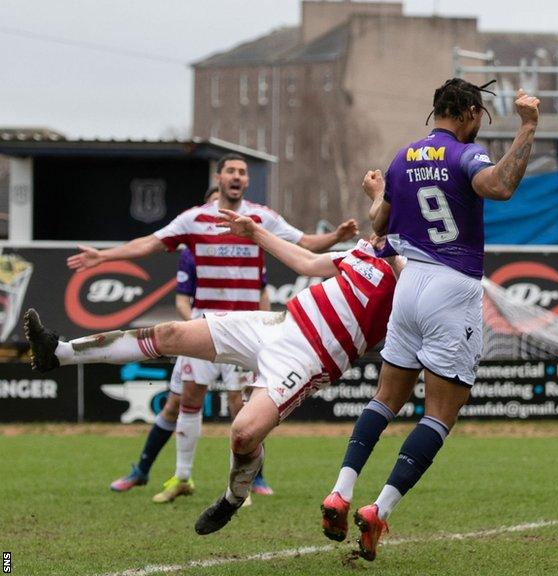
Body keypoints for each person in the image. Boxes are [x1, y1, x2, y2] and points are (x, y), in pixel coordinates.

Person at [24, 224, 399, 536]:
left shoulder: (409, 273)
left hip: (308, 359)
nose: (379, 227)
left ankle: (233, 498)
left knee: (243, 433)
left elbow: (392, 235)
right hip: (278, 325)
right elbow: (306, 260)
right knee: (170, 333)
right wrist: (254, 232)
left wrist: (389, 217)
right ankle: (59, 353)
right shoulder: (360, 252)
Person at [319, 78, 539, 561]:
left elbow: (379, 225)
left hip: (410, 283)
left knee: (385, 399)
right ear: (468, 113)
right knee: (439, 413)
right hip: (452, 287)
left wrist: (376, 191)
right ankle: (378, 510)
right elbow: (499, 186)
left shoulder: (402, 158)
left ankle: (340, 490)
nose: (481, 124)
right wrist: (528, 127)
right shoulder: (465, 155)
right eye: (481, 115)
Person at [68, 154, 357, 502]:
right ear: (219, 177)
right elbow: (149, 243)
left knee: (243, 406)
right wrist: (102, 257)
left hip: (247, 330)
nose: (237, 176)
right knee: (189, 397)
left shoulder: (261, 217)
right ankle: (182, 477)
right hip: (206, 326)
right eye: (231, 171)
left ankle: (246, 482)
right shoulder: (193, 219)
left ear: (246, 181)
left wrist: (337, 237)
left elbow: (306, 244)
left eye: (242, 172)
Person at [110, 188, 275, 501]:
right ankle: (145, 470)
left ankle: (254, 478)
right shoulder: (193, 250)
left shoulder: (250, 245)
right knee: (178, 402)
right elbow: (183, 301)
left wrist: (263, 326)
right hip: (203, 333)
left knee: (242, 406)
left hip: (241, 334)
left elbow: (261, 291)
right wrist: (194, 330)